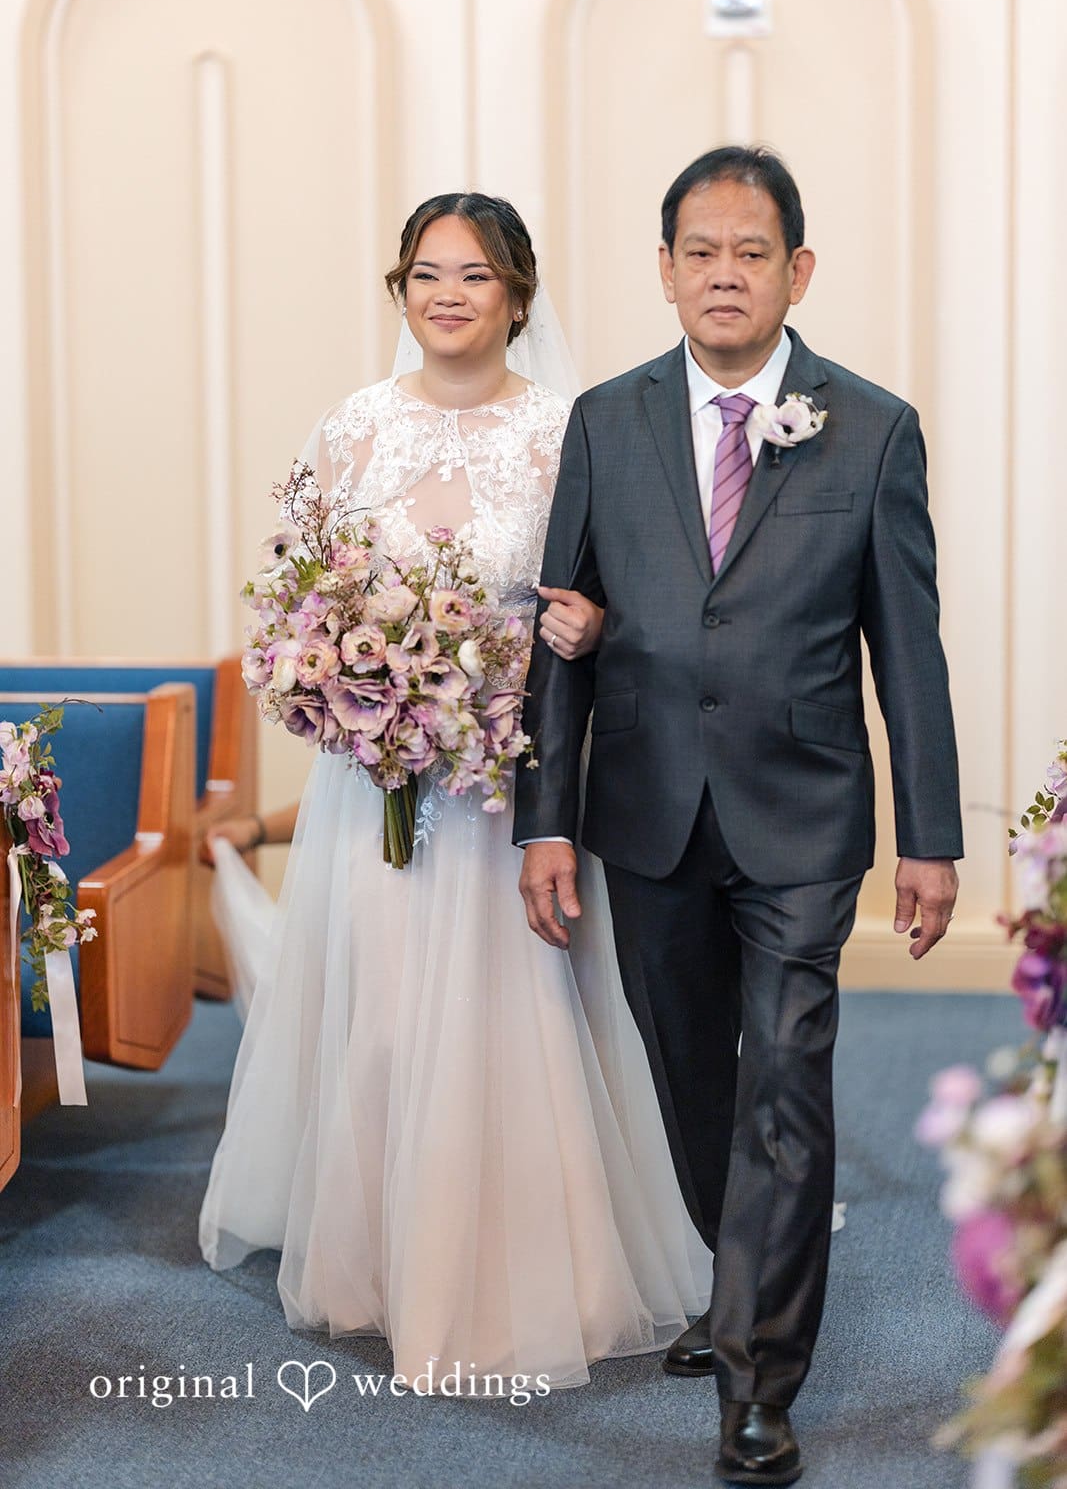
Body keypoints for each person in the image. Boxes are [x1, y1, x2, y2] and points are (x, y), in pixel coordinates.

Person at [199, 192, 713, 1391]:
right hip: (375, 782)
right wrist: (330, 675)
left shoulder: (566, 432)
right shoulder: (352, 428)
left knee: (509, 1016)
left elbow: (619, 598)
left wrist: (588, 630)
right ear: (400, 291)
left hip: (506, 781)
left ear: (517, 297)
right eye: (425, 273)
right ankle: (379, 1261)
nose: (446, 294)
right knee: (381, 1012)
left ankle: (516, 1270)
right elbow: (305, 597)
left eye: (475, 275)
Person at [515, 147, 962, 1483]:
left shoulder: (869, 426)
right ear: (663, 272)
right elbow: (559, 631)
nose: (723, 273)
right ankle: (739, 1274)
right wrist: (546, 817)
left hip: (802, 814)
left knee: (783, 1080)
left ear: (795, 271)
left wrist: (928, 837)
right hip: (646, 807)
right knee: (692, 1079)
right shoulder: (604, 421)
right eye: (698, 252)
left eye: (749, 252)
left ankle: (758, 1384)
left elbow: (908, 650)